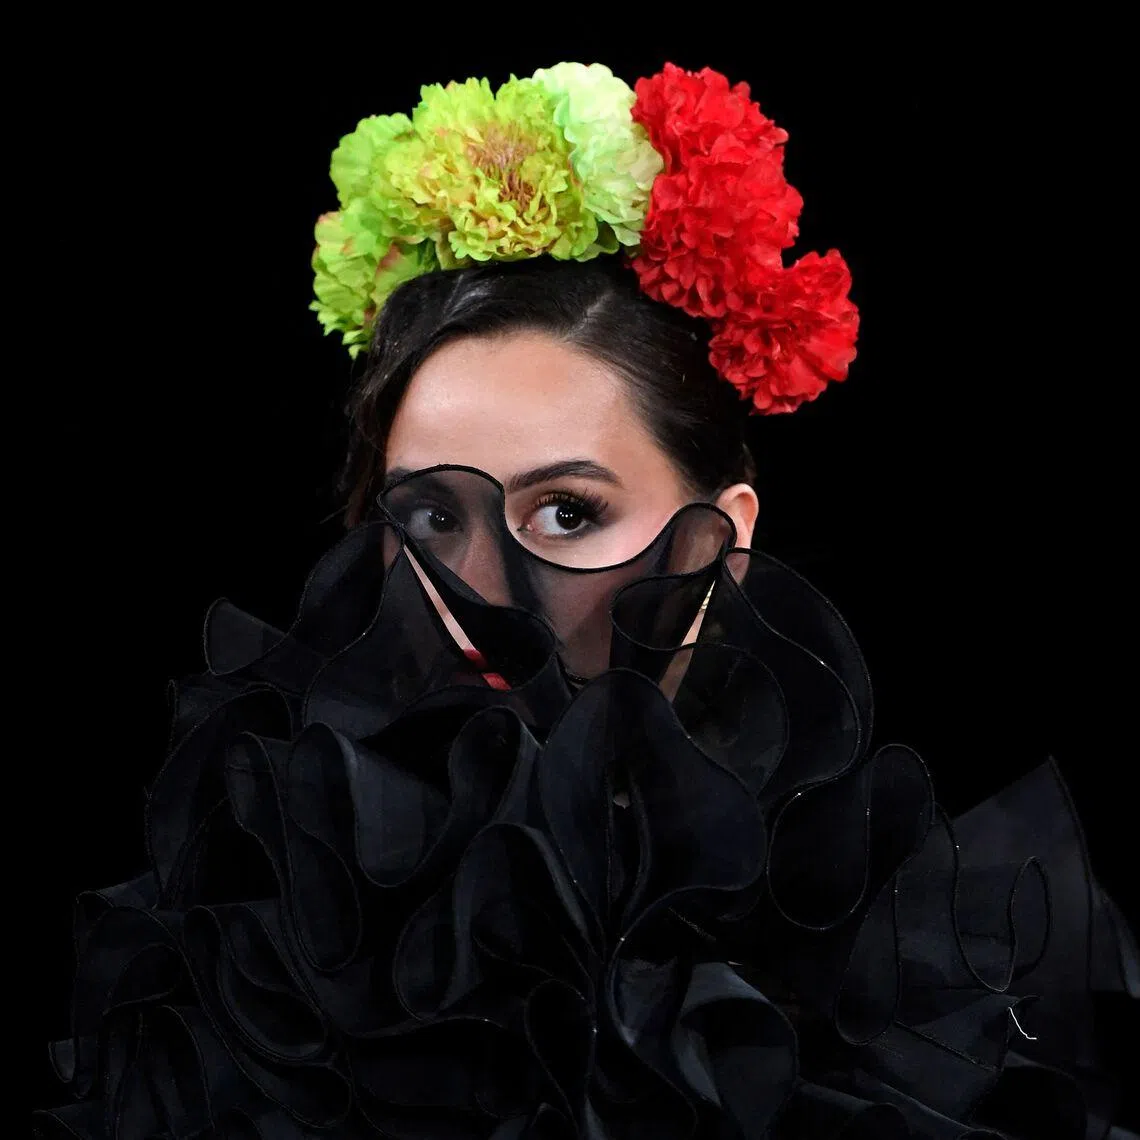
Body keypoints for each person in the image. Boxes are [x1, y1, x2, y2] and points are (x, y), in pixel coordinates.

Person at [34, 62, 1137, 1139]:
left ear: (726, 537)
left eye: (567, 513)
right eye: (428, 518)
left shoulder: (899, 952)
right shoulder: (252, 925)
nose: (483, 594)